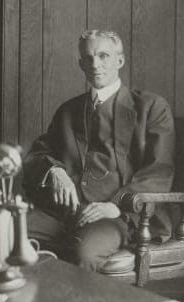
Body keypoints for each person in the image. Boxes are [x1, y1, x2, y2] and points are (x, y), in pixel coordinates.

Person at [23, 29, 175, 272]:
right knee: (2, 234)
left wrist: (116, 205)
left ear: (120, 60)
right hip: (65, 212)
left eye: (103, 56)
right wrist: (55, 171)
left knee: (85, 252)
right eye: (89, 58)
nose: (96, 65)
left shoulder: (151, 107)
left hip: (121, 216)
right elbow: (40, 152)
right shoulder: (68, 110)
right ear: (81, 64)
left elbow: (159, 169)